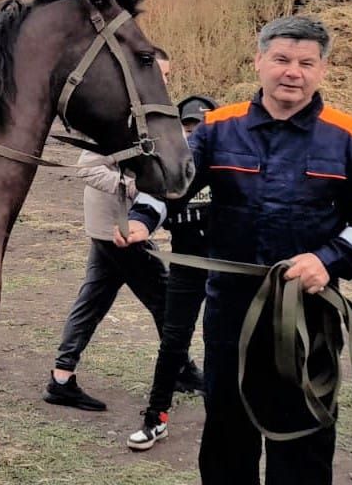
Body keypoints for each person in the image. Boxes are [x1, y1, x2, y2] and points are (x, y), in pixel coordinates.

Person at [124, 15, 352, 485]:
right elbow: (173, 184)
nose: (292, 71)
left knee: (303, 435)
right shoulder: (217, 128)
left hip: (307, 315)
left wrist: (327, 260)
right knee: (227, 432)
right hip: (231, 311)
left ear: (322, 70)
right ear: (259, 62)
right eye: (281, 59)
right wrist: (140, 217)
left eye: (305, 62)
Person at [43, 50, 204, 412]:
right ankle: (182, 369)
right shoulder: (121, 119)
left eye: (168, 76)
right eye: (160, 74)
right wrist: (133, 187)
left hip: (115, 229)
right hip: (119, 230)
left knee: (93, 301)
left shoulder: (151, 117)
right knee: (164, 298)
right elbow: (86, 168)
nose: (164, 82)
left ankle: (61, 377)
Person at [126, 94, 217, 450]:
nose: (194, 135)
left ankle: (224, 417)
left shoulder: (227, 164)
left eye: (201, 127)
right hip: (185, 266)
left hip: (226, 270)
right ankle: (156, 417)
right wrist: (140, 221)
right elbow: (157, 198)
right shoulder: (174, 168)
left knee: (222, 342)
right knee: (173, 343)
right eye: (189, 126)